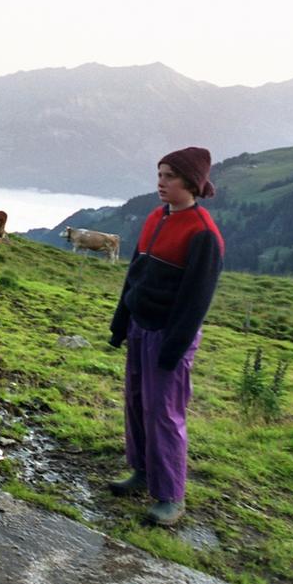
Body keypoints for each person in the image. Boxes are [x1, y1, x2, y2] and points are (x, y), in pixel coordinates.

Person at [108, 147, 224, 526]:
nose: (161, 182)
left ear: (191, 182)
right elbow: (135, 274)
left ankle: (171, 496)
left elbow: (195, 302)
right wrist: (120, 322)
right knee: (137, 402)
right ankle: (142, 473)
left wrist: (173, 350)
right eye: (159, 173)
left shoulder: (203, 234)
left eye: (170, 175)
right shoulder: (155, 218)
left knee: (164, 413)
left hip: (168, 336)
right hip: (141, 326)